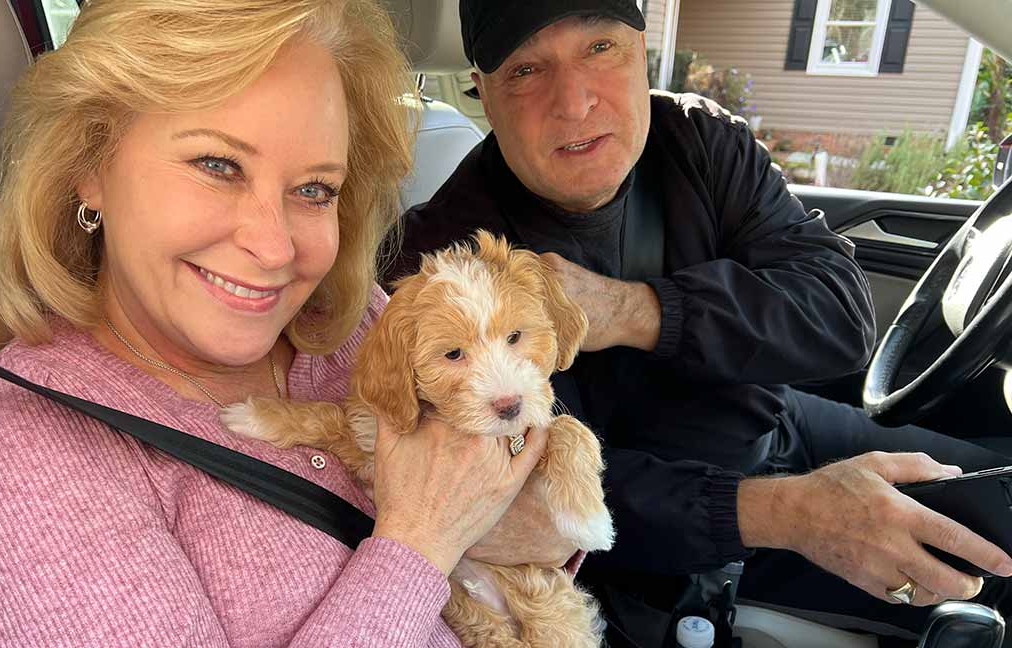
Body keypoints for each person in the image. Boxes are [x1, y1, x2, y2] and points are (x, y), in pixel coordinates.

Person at [0, 1, 571, 645]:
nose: (276, 248)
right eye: (217, 166)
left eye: (314, 189)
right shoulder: (14, 445)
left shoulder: (351, 320)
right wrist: (419, 542)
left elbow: (544, 516)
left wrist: (536, 521)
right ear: (89, 165)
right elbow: (453, 508)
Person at [385, 0, 1012, 643]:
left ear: (641, 49)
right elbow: (513, 502)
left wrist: (636, 310)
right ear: (484, 95)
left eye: (600, 49)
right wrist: (790, 514)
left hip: (778, 427)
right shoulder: (440, 271)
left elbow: (843, 315)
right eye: (526, 70)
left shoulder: (700, 140)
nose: (573, 103)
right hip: (669, 540)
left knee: (999, 504)